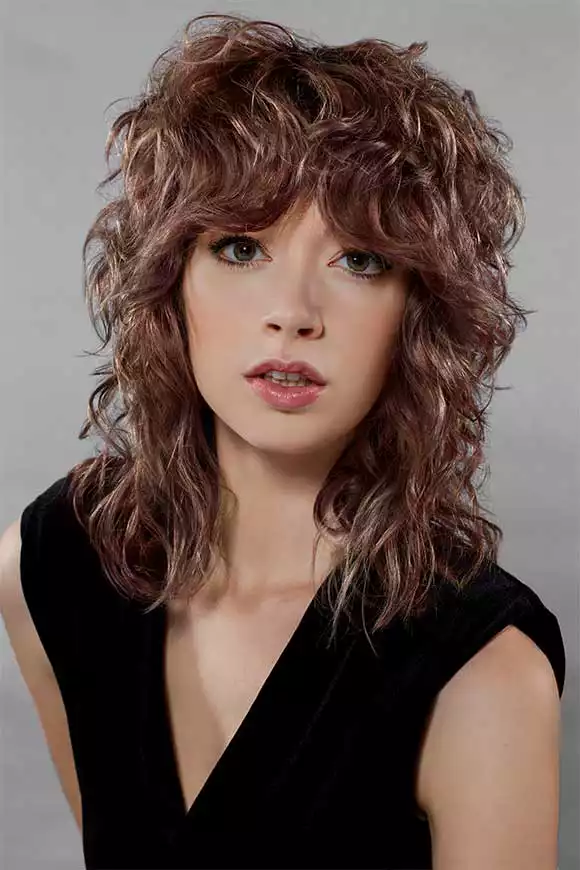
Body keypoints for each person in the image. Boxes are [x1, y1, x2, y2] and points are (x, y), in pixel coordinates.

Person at [0, 12, 566, 870]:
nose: (293, 313)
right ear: (171, 281)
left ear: (417, 313)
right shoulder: (54, 565)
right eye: (240, 247)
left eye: (361, 261)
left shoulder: (483, 674)